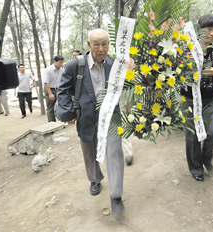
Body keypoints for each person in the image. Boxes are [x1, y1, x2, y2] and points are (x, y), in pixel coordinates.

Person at [58, 29, 125, 218]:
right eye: (96, 44)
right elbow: (63, 90)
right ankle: (95, 179)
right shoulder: (74, 66)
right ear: (89, 45)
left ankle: (116, 195)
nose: (101, 48)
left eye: (105, 44)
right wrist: (67, 112)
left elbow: (129, 83)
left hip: (111, 117)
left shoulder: (115, 64)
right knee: (90, 150)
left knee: (114, 152)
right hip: (86, 116)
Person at [181, 15, 213, 182]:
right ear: (199, 30)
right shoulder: (187, 48)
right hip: (189, 98)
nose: (212, 33)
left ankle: (206, 158)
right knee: (192, 136)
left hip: (210, 97)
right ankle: (195, 167)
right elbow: (176, 68)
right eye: (209, 29)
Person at [43, 55, 64, 122]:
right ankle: (51, 123)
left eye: (62, 63)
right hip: (50, 89)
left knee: (59, 106)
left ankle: (60, 121)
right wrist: (50, 94)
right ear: (55, 61)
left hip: (58, 90)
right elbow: (46, 83)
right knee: (50, 108)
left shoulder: (61, 70)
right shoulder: (48, 70)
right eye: (60, 62)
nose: (61, 64)